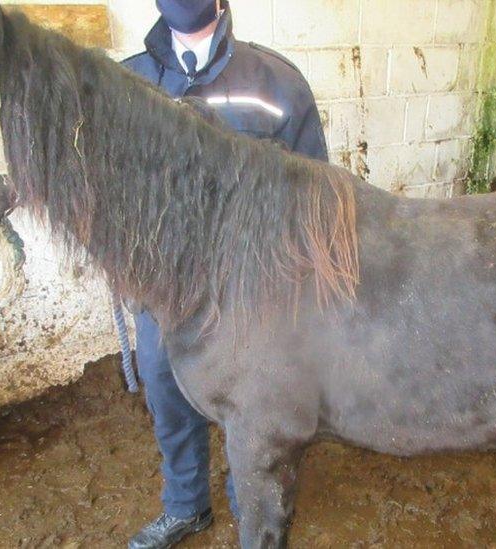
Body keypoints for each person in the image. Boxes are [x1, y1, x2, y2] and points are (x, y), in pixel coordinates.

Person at [121, 1, 328, 547]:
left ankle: (250, 503)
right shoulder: (126, 83)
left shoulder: (277, 82)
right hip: (163, 291)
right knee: (165, 391)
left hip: (249, 293)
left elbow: (314, 189)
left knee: (251, 408)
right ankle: (186, 506)